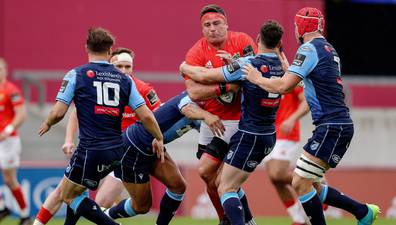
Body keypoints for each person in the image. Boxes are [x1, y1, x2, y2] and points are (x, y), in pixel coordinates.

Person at [243, 7, 380, 225]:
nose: (295, 29)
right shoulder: (329, 49)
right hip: (336, 124)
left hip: (331, 126)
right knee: (312, 184)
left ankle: (355, 213)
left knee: (300, 182)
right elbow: (310, 81)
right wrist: (290, 70)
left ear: (302, 27)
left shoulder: (308, 49)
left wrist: (256, 77)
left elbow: (284, 87)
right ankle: (362, 211)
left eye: (297, 26)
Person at [33, 27, 163, 225]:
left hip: (91, 149)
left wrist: (48, 122)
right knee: (77, 188)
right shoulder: (125, 80)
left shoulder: (76, 74)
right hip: (117, 151)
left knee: (68, 194)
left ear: (86, 48)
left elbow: (59, 112)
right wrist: (159, 136)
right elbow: (145, 115)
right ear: (110, 51)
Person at [180, 19, 285, 225]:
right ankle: (248, 221)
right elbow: (287, 86)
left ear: (257, 40)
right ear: (279, 44)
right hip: (268, 134)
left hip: (249, 134)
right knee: (222, 181)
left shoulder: (249, 65)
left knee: (225, 187)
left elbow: (206, 74)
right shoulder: (284, 68)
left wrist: (185, 67)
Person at [183, 4, 257, 225]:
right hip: (212, 122)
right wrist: (227, 86)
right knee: (209, 176)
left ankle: (231, 220)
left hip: (240, 121)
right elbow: (194, 91)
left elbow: (256, 75)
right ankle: (230, 218)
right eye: (207, 25)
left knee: (218, 177)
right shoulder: (196, 51)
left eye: (216, 23)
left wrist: (233, 67)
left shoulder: (243, 41)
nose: (212, 29)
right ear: (202, 29)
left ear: (226, 24)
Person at [105, 92, 225, 225]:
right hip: (134, 147)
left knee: (178, 187)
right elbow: (186, 108)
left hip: (155, 148)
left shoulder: (210, 110)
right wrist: (207, 116)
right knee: (141, 207)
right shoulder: (193, 98)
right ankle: (105, 216)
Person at [263, 86, 309, 225]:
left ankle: (315, 182)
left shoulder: (290, 74)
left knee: (277, 174)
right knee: (275, 179)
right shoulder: (260, 74)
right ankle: (299, 219)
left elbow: (306, 101)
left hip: (286, 132)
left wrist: (292, 119)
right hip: (267, 133)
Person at [0, 58, 32, 225]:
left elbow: (21, 114)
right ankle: (2, 207)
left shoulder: (11, 90)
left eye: (1, 69)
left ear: (5, 70)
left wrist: (7, 130)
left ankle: (25, 215)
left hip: (8, 141)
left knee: (9, 179)